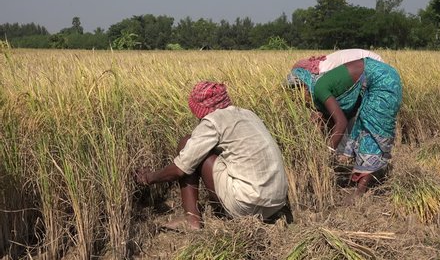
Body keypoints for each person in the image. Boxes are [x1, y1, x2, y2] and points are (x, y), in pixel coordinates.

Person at [135, 81, 289, 230]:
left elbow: (180, 169)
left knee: (187, 144)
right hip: (276, 204)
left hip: (247, 205)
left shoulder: (213, 121)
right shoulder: (248, 114)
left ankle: (191, 219)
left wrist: (148, 178)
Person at [286, 57, 402, 201]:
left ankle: (359, 192)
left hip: (383, 79)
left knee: (371, 130)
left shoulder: (320, 89)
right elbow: (334, 119)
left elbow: (340, 122)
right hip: (374, 76)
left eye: (296, 91)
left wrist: (326, 155)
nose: (296, 98)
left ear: (303, 85)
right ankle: (366, 173)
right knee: (361, 125)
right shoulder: (317, 90)